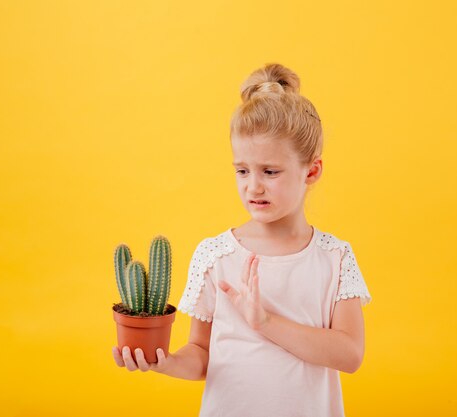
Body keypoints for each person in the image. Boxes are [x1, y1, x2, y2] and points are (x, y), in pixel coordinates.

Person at [112, 62, 372, 417]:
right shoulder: (216, 256)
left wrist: (265, 322)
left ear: (311, 171)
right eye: (242, 170)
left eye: (270, 171)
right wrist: (163, 362)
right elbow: (201, 355)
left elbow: (349, 354)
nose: (253, 186)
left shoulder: (334, 258)